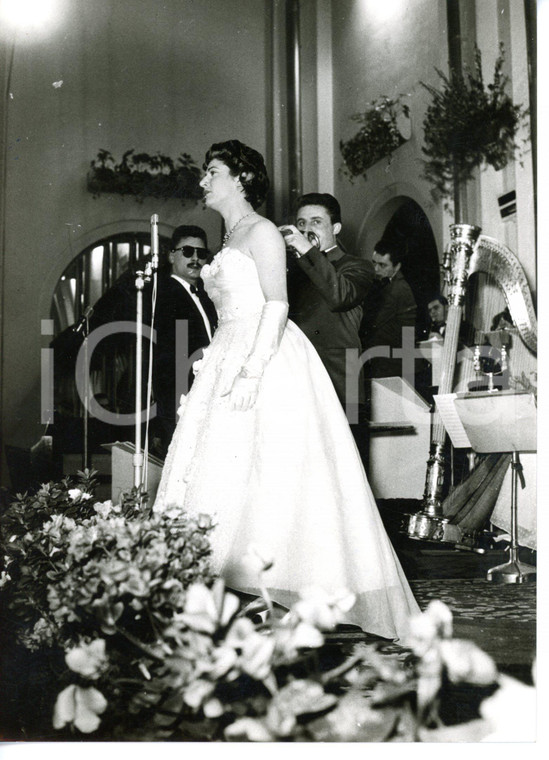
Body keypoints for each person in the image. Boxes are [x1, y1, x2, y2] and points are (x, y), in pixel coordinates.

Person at [153, 140, 419, 641]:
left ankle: (275, 596)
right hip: (231, 351)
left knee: (275, 482)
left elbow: (276, 304)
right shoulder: (232, 236)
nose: (204, 180)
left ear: (241, 179)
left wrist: (252, 371)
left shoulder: (262, 234)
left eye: (213, 171)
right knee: (226, 475)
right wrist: (215, 364)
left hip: (267, 357)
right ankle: (225, 602)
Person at [281, 193, 374, 416]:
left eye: (316, 222)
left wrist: (306, 250)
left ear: (336, 228)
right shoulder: (290, 268)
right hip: (298, 375)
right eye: (301, 223)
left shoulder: (357, 266)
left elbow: (341, 296)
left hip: (340, 380)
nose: (306, 229)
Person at [150, 225, 217, 455]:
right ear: (171, 255)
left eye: (201, 253)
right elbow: (164, 358)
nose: (196, 258)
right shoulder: (163, 295)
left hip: (205, 394)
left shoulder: (207, 297)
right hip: (178, 399)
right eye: (188, 252)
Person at [360, 239, 417, 379]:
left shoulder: (397, 290)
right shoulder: (386, 284)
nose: (376, 269)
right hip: (387, 360)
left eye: (382, 265)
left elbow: (370, 323)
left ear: (397, 267)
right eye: (374, 263)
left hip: (391, 365)